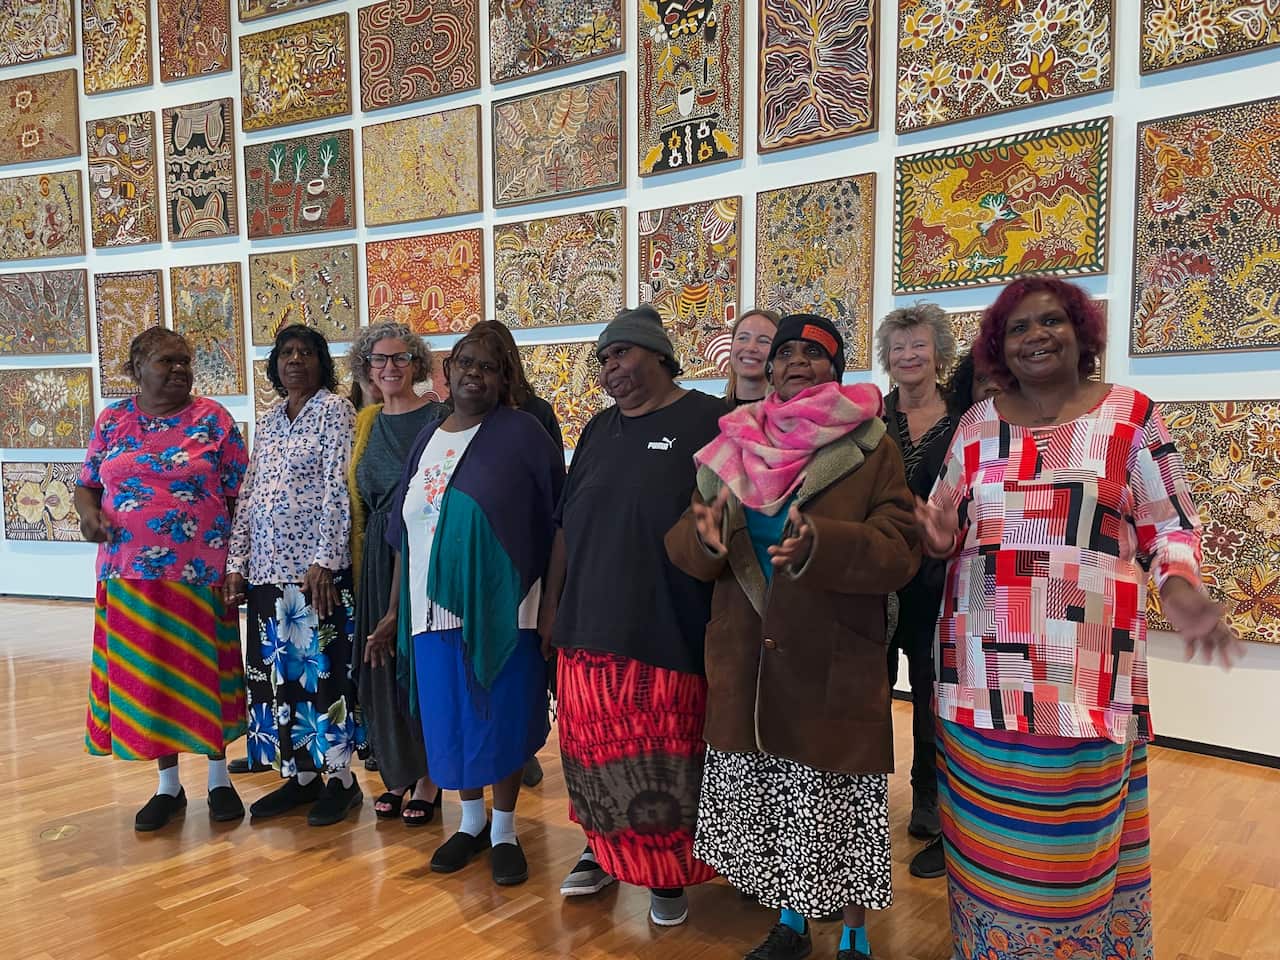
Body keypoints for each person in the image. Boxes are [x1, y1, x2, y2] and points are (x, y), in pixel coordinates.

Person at [915, 277, 1243, 960]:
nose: (1036, 336)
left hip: (1084, 679)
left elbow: (1169, 525)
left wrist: (1179, 585)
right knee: (986, 848)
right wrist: (938, 534)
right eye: (1018, 328)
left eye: (1051, 321)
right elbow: (943, 522)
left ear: (1081, 331)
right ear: (998, 345)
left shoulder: (1129, 416)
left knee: (1071, 858)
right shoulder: (977, 425)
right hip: (979, 676)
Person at [666, 313, 920, 960]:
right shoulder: (732, 445)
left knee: (841, 804)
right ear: (769, 368)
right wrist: (705, 538)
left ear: (835, 367)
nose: (797, 361)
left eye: (814, 352)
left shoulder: (870, 443)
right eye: (786, 352)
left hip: (832, 651)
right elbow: (689, 541)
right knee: (778, 806)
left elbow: (900, 546)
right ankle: (791, 923)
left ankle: (854, 932)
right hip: (748, 654)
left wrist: (824, 544)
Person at [540, 305, 724, 926]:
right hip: (588, 625)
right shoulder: (599, 429)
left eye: (620, 353)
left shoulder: (708, 420)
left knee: (664, 760)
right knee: (590, 755)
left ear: (659, 355)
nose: (609, 368)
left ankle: (667, 878)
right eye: (603, 359)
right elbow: (566, 525)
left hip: (667, 624)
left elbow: (728, 524)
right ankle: (600, 850)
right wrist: (552, 607)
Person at [368, 325, 564, 886]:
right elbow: (405, 533)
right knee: (452, 717)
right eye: (466, 363)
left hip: (504, 610)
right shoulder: (427, 438)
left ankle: (504, 830)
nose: (474, 373)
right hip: (427, 613)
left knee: (501, 716)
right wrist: (392, 612)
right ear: (447, 371)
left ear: (504, 378)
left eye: (488, 366)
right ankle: (471, 822)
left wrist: (551, 605)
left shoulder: (522, 433)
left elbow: (557, 521)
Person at [75, 326, 249, 830]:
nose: (178, 370)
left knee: (203, 673)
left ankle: (219, 779)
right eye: (166, 361)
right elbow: (87, 484)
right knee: (150, 679)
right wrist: (88, 515)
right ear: (137, 369)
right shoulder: (113, 420)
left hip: (199, 573)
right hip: (128, 576)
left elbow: (242, 496)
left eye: (184, 361)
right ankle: (168, 787)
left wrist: (237, 564)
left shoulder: (212, 419)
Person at [225, 324, 364, 827]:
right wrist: (237, 563)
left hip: (313, 575)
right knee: (278, 677)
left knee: (322, 675)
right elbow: (250, 494)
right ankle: (302, 777)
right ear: (275, 365)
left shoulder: (335, 411)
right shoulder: (268, 421)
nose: (295, 360)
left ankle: (341, 781)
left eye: (306, 352)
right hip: (267, 573)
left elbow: (339, 488)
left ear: (322, 362)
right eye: (287, 353)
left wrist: (326, 559)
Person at [899, 346, 1004, 879]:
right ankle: (952, 830)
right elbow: (940, 519)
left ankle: (954, 824)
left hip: (1030, 617)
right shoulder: (966, 439)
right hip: (952, 598)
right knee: (956, 724)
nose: (995, 389)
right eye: (984, 380)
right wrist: (937, 538)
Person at [347, 322, 447, 826]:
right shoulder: (365, 422)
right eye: (380, 359)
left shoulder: (438, 417)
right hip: (375, 559)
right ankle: (398, 770)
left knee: (420, 663)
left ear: (417, 364)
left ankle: (429, 776)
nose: (390, 367)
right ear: (366, 367)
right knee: (381, 667)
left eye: (400, 358)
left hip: (422, 554)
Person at [873, 303, 958, 866]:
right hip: (878, 577)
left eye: (918, 345)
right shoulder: (871, 417)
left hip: (941, 577)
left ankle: (927, 794)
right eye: (898, 347)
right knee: (871, 691)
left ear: (938, 353)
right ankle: (865, 794)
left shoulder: (967, 416)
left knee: (931, 694)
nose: (908, 356)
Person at [469, 318, 566, 789]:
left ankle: (522, 746)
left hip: (524, 550)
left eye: (489, 361)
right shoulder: (456, 415)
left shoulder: (535, 414)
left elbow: (551, 489)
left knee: (522, 659)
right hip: (475, 558)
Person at [725, 308, 780, 407]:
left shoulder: (792, 414)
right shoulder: (707, 411)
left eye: (763, 341)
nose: (750, 348)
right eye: (743, 338)